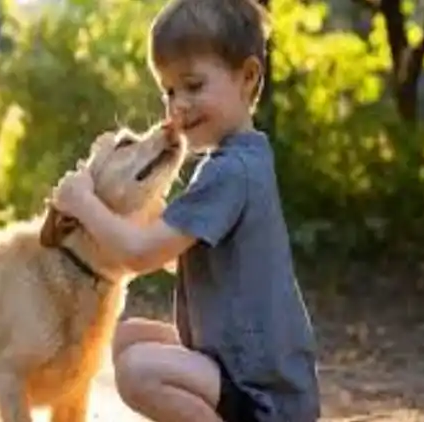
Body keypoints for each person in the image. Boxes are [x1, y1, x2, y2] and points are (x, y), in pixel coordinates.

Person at [48, 0, 320, 420]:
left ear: (247, 77)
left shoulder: (231, 172)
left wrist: (84, 205)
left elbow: (141, 254)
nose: (178, 105)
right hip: (244, 363)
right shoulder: (242, 159)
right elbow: (180, 259)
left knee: (139, 371)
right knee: (125, 339)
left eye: (193, 86)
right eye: (169, 91)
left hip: (263, 394)